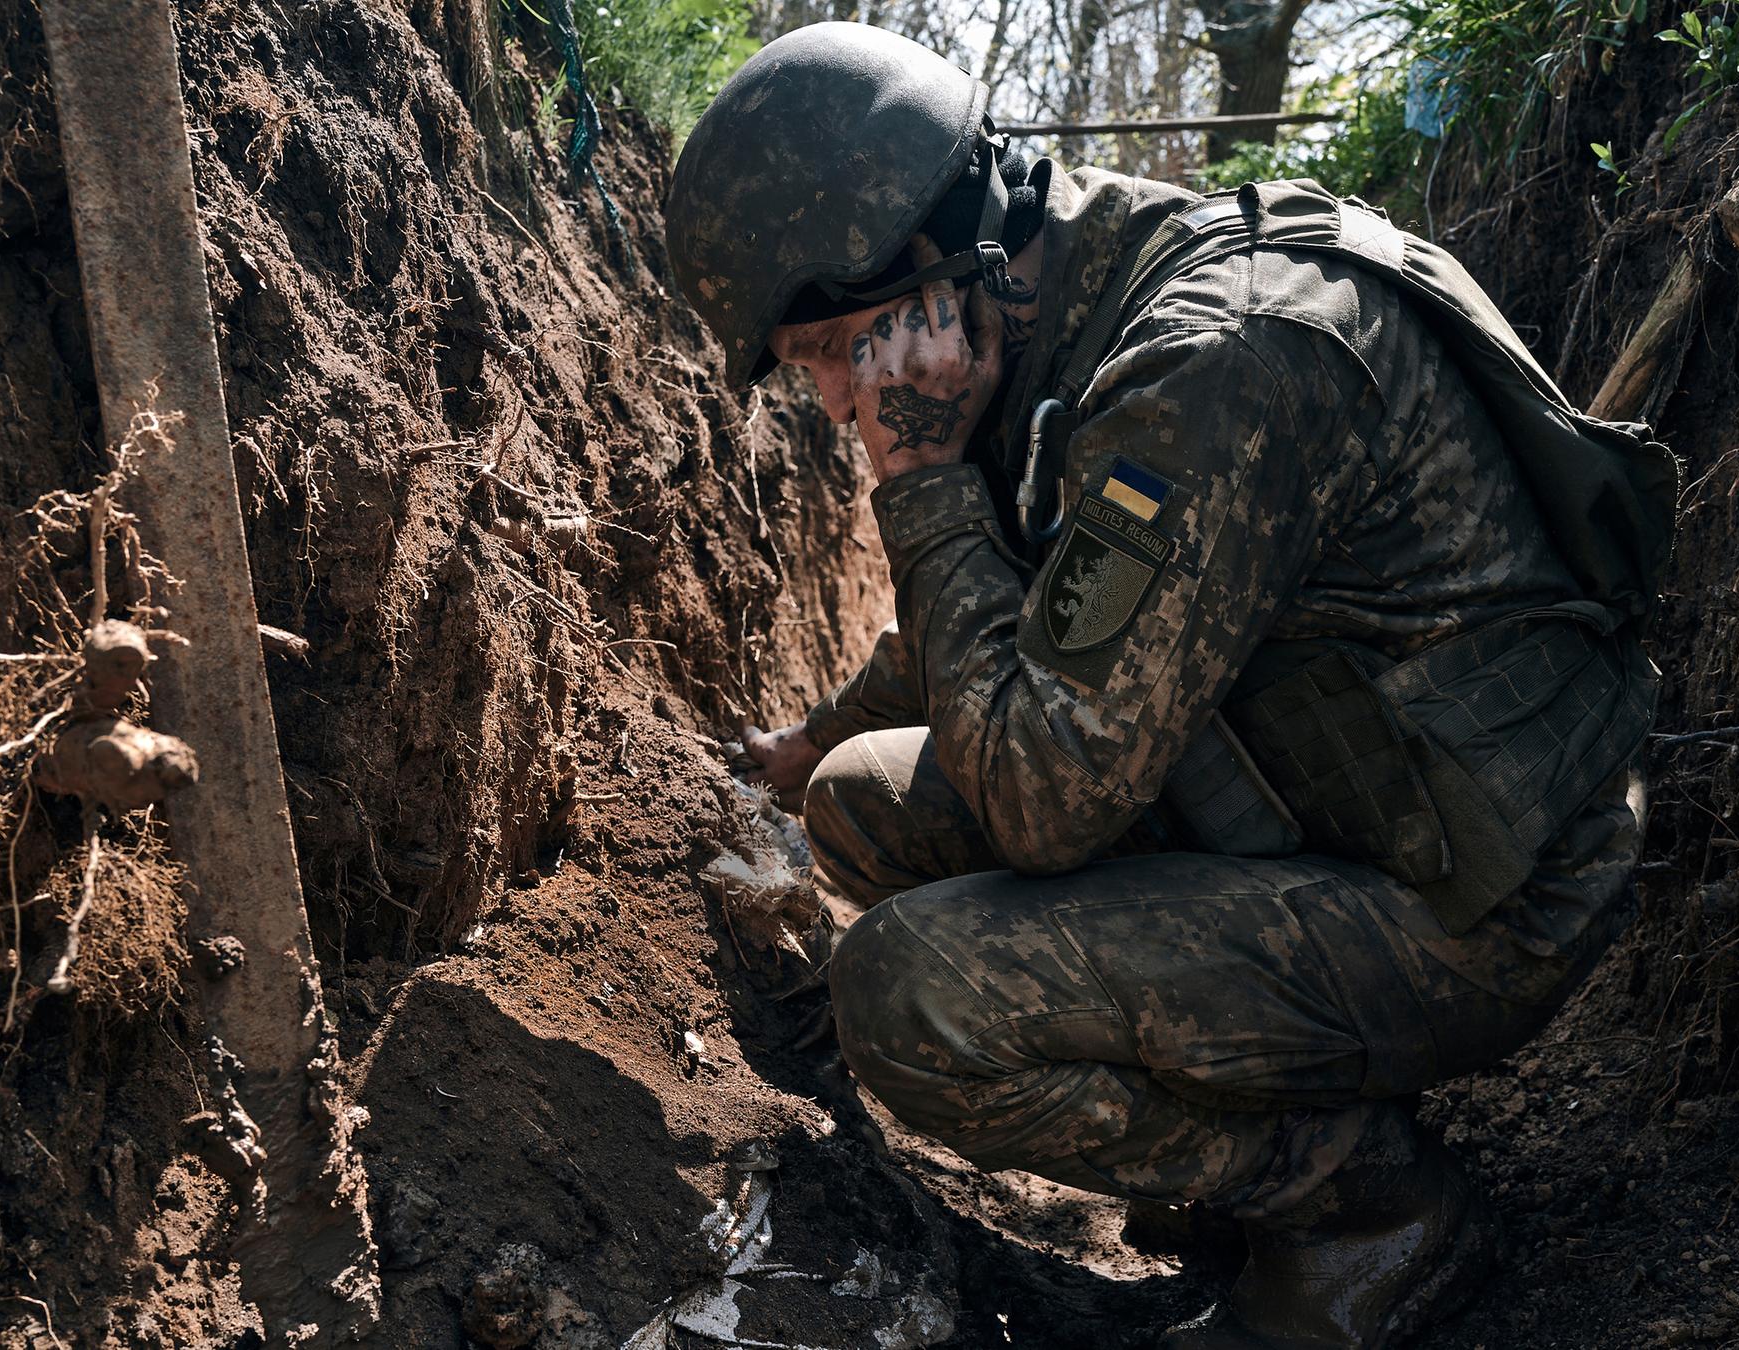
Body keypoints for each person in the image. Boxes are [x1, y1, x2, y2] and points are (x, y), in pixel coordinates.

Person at [663, 22, 1674, 1349]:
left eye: (834, 356)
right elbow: (1014, 619)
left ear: (922, 270)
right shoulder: (1060, 302)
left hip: (1477, 892)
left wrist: (921, 485)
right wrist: (803, 745)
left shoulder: (1206, 365)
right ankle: (1241, 1142)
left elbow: (1042, 804)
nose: (846, 407)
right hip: (1336, 805)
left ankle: (1369, 1215)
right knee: (862, 799)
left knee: (908, 994)